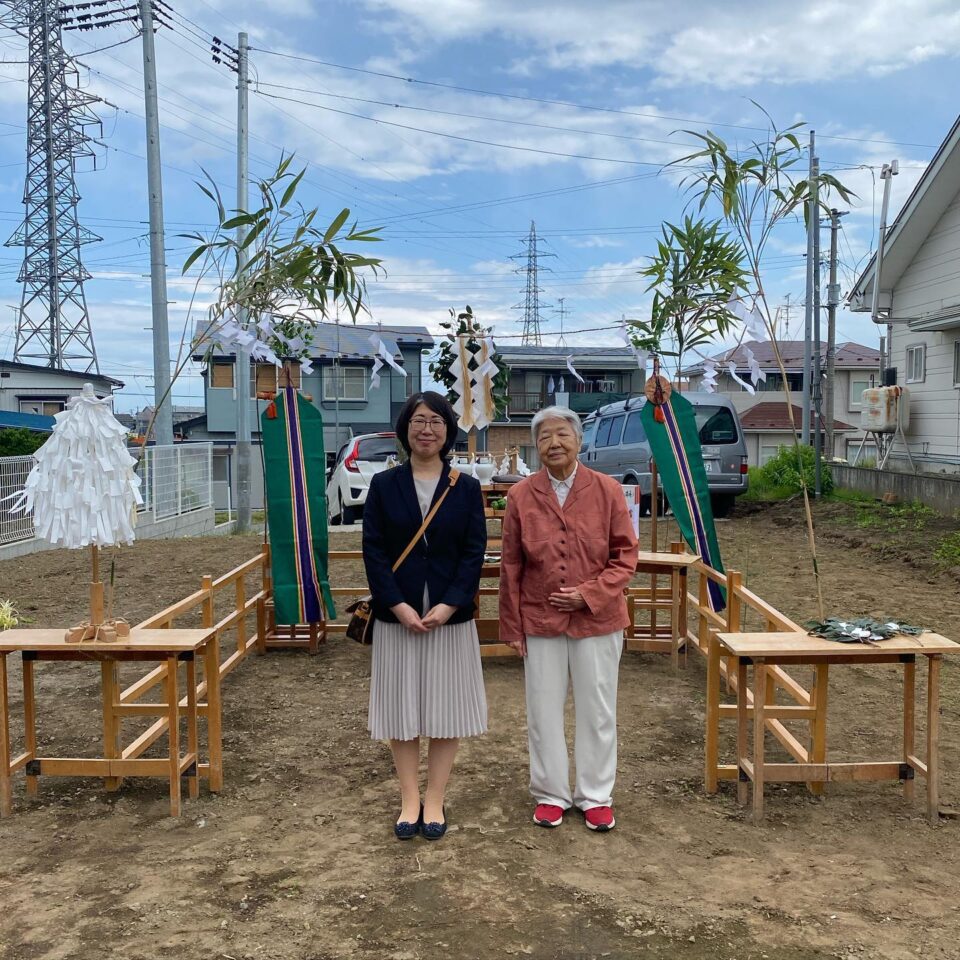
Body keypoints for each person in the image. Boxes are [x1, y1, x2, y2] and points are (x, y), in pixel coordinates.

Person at [499, 405, 638, 832]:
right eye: (544, 437)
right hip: (540, 618)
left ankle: (595, 795)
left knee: (598, 710)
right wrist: (512, 625)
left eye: (562, 434)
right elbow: (511, 565)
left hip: (598, 619)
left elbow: (625, 556)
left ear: (579, 440)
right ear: (535, 446)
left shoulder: (607, 490)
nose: (554, 443)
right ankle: (550, 793)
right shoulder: (521, 496)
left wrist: (588, 594)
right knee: (543, 710)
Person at [363, 391, 488, 841]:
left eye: (436, 421)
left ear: (448, 431)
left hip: (448, 615)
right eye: (418, 420)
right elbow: (374, 551)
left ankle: (435, 798)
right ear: (405, 428)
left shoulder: (466, 487)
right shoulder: (383, 485)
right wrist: (397, 605)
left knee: (445, 708)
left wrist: (451, 603)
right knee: (402, 709)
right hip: (397, 613)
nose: (427, 429)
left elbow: (474, 552)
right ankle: (409, 798)